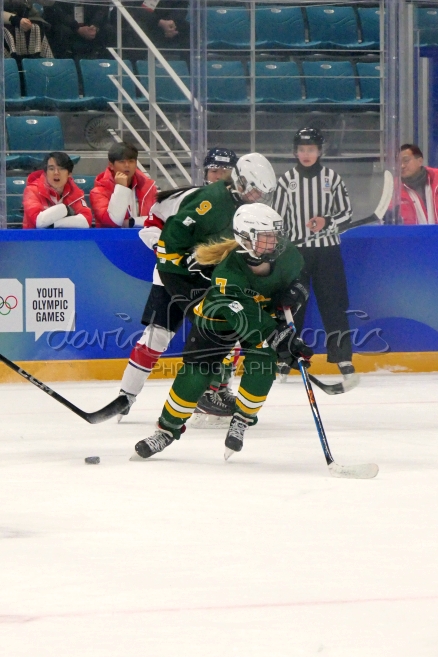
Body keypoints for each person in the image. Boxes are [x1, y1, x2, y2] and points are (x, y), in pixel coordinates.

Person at [132, 203, 311, 460]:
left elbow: (300, 274)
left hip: (261, 313)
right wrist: (279, 338)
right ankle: (166, 430)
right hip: (219, 317)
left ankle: (241, 419)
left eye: (275, 235)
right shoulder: (227, 273)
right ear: (246, 238)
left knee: (262, 364)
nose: (274, 241)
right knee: (196, 373)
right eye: (266, 236)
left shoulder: (287, 254)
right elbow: (246, 317)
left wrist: (297, 291)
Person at [117, 152, 277, 421]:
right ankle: (126, 396)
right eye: (214, 169)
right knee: (158, 336)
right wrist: (175, 256)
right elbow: (153, 227)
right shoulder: (196, 198)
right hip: (173, 276)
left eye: (223, 169)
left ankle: (215, 390)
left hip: (208, 278)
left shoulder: (247, 210)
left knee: (225, 329)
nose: (218, 174)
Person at [273, 127, 358, 384]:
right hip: (296, 254)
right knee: (292, 306)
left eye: (310, 149)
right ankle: (284, 357)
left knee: (333, 304)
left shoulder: (333, 179)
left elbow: (346, 214)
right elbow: (277, 220)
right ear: (295, 152)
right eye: (301, 149)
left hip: (328, 252)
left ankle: (342, 357)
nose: (306, 154)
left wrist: (326, 221)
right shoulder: (286, 181)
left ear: (320, 151)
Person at [90, 142, 157, 229]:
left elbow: (160, 219)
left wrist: (133, 222)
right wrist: (121, 188)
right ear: (111, 165)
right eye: (122, 162)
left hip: (145, 236)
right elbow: (113, 222)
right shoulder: (98, 192)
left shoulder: (149, 187)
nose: (127, 165)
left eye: (131, 161)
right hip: (112, 237)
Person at [22, 151, 92, 229]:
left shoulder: (74, 191)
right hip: (35, 237)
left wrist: (54, 223)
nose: (56, 173)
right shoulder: (32, 190)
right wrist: (66, 209)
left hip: (65, 237)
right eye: (51, 169)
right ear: (45, 173)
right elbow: (39, 222)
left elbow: (86, 221)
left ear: (69, 174)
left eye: (61, 169)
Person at [43, 1, 116, 59]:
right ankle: (62, 62)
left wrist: (94, 26)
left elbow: (101, 9)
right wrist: (77, 28)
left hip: (89, 22)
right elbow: (57, 11)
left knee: (109, 30)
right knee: (62, 30)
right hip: (67, 24)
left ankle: (107, 63)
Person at [395, 144, 438, 225]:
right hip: (411, 233)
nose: (402, 166)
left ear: (420, 161)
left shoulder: (436, 179)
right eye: (398, 162)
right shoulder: (394, 190)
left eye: (406, 160)